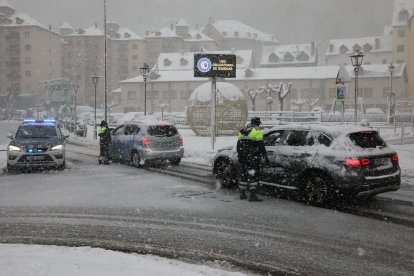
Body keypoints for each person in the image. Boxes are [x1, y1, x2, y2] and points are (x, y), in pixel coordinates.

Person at [237, 117, 269, 202]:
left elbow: (239, 146)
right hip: (253, 158)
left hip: (244, 158)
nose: (259, 125)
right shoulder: (257, 131)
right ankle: (252, 195)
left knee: (244, 174)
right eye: (258, 123)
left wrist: (241, 156)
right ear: (257, 123)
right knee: (253, 175)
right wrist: (264, 156)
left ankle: (242, 193)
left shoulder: (242, 130)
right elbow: (260, 145)